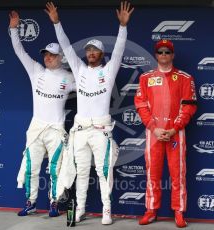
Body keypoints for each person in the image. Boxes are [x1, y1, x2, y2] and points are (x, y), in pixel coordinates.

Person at [45, 1, 134, 225]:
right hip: (81, 130)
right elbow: (65, 47)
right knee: (81, 171)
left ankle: (106, 210)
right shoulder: (79, 69)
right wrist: (56, 23)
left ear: (102, 53)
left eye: (95, 50)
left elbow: (121, 48)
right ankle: (81, 208)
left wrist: (122, 27)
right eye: (88, 50)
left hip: (101, 131)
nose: (91, 53)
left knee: (105, 172)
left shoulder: (108, 70)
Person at [9, 10, 75, 217]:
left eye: (52, 55)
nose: (47, 57)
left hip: (56, 129)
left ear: (61, 58)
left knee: (55, 169)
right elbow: (19, 51)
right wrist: (13, 29)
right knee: (30, 168)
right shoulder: (36, 70)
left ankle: (54, 203)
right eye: (45, 54)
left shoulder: (70, 77)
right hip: (36, 127)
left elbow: (90, 88)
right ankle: (31, 202)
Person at [134, 39, 197, 228]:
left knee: (178, 174)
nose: (163, 55)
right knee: (152, 173)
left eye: (167, 52)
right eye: (160, 52)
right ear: (156, 55)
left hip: (175, 133)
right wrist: (154, 128)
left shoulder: (185, 78)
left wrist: (173, 129)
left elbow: (189, 106)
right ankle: (151, 210)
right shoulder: (146, 78)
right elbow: (141, 105)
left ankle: (178, 211)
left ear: (173, 55)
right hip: (154, 133)